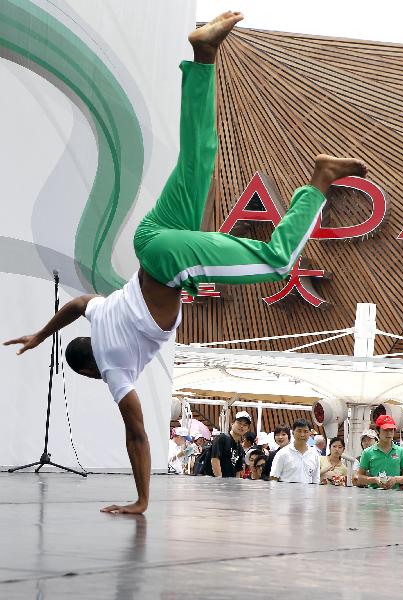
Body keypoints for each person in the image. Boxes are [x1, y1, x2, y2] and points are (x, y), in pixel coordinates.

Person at [3, 13, 368, 514]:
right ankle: (203, 56)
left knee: (277, 260)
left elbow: (136, 433)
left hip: (168, 258)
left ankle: (321, 180)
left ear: (90, 369)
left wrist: (141, 500)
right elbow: (80, 304)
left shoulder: (112, 367)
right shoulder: (101, 311)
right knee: (200, 158)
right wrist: (40, 334)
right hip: (151, 236)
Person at [357, 415, 403, 490]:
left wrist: (396, 479)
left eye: (391, 430)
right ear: (378, 431)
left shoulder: (401, 451)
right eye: (385, 430)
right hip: (373, 496)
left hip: (395, 496)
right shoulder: (367, 452)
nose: (389, 433)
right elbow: (360, 477)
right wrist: (375, 480)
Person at [270, 419, 320, 484]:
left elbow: (315, 480)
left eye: (305, 431)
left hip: (308, 493)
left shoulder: (315, 454)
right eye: (299, 431)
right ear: (293, 433)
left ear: (310, 433)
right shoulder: (282, 453)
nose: (302, 434)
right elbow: (274, 478)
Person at [211, 411, 251, 478]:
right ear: (232, 423)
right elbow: (215, 460)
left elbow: (238, 470)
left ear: (247, 429)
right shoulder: (222, 438)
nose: (241, 426)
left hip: (230, 484)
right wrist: (219, 480)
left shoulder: (240, 448)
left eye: (245, 425)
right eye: (239, 423)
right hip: (216, 484)